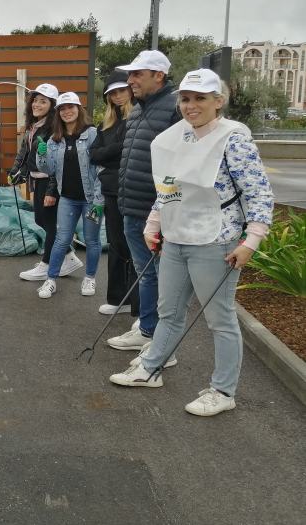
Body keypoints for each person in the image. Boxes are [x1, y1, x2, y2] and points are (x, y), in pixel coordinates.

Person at [109, 69, 274, 417]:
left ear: (219, 101)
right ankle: (152, 367)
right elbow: (168, 187)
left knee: (221, 320)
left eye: (201, 98)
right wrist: (154, 224)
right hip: (176, 237)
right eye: (185, 98)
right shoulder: (175, 137)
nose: (191, 105)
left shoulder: (234, 138)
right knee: (169, 311)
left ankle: (223, 390)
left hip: (216, 240)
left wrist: (251, 240)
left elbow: (258, 192)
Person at [106, 50, 181, 351]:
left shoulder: (175, 108)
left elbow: (179, 165)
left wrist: (163, 210)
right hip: (131, 206)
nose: (131, 80)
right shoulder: (137, 109)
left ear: (159, 76)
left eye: (138, 74)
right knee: (145, 273)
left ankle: (159, 340)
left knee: (160, 277)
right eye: (130, 74)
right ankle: (148, 329)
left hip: (156, 212)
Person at [10, 83, 84, 280]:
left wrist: (52, 191)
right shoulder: (34, 126)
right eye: (35, 100)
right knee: (40, 220)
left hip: (49, 182)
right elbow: (25, 154)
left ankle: (47, 264)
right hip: (36, 180)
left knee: (50, 223)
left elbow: (56, 163)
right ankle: (68, 257)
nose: (36, 104)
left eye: (43, 101)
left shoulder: (53, 128)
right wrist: (17, 171)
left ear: (52, 106)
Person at [36, 92, 103, 299]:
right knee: (61, 239)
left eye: (71, 107)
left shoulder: (92, 134)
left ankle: (90, 278)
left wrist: (100, 200)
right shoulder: (55, 139)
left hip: (91, 199)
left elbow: (101, 167)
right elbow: (48, 170)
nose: (67, 111)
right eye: (63, 109)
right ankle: (51, 280)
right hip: (67, 198)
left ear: (79, 109)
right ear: (59, 113)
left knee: (92, 240)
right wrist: (42, 153)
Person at [90, 70, 139, 315]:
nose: (118, 96)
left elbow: (127, 149)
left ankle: (136, 302)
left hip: (132, 190)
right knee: (117, 243)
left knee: (135, 246)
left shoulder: (137, 118)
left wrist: (109, 152)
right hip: (110, 190)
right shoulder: (106, 123)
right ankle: (118, 298)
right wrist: (114, 151)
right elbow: (93, 153)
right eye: (113, 93)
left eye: (121, 90)